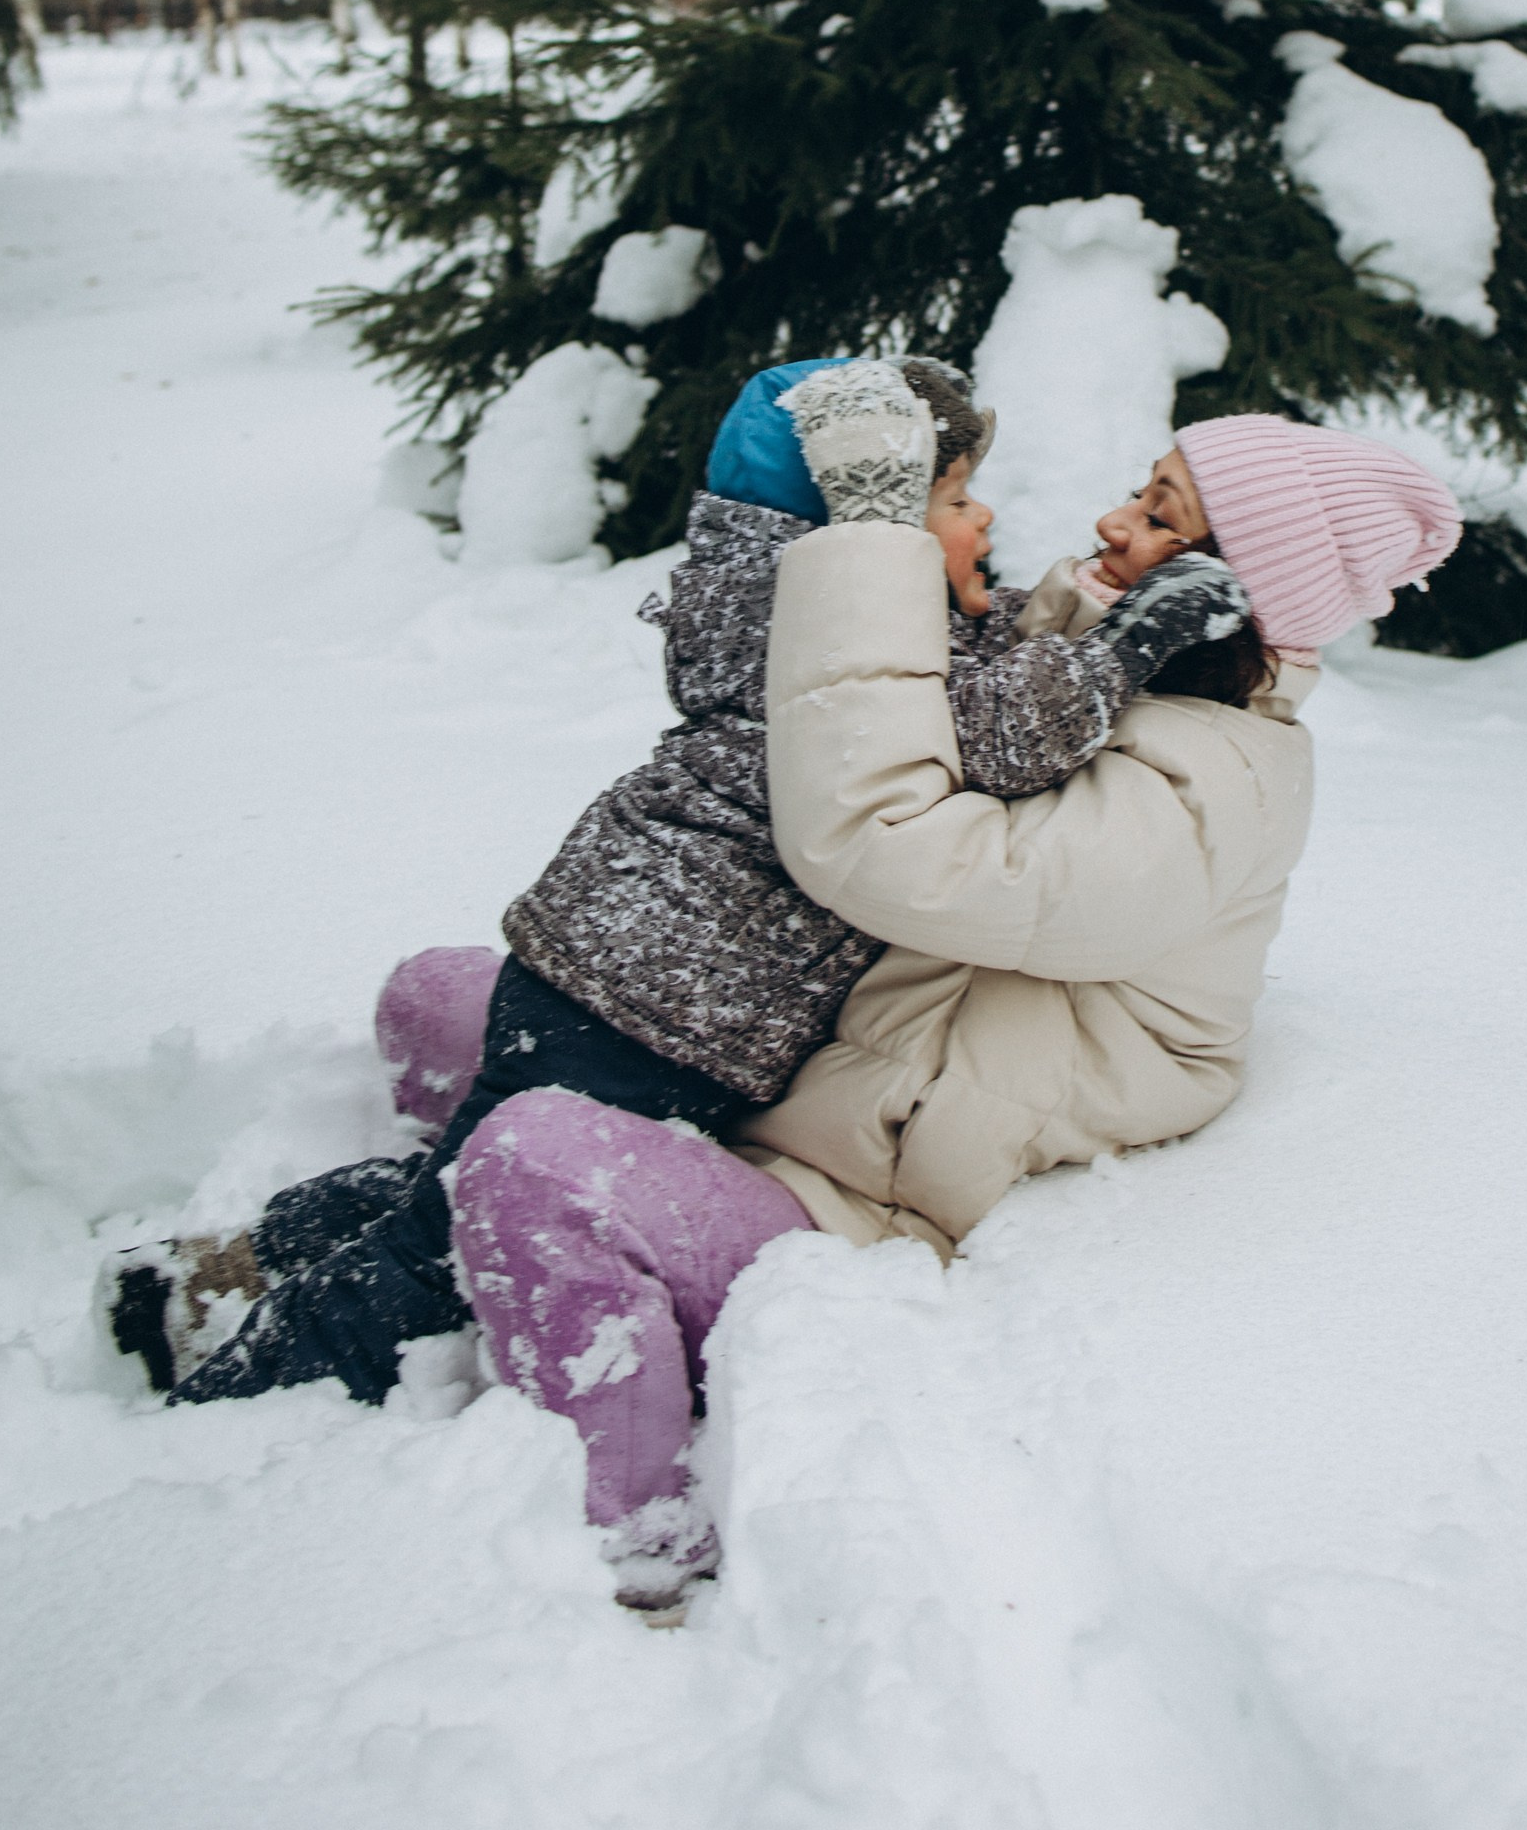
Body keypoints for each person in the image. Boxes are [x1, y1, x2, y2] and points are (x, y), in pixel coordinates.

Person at [436, 373, 1461, 1606]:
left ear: (1227, 589)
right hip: (795, 1076)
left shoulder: (1207, 790)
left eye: (1158, 511)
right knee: (436, 997)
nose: (1109, 523)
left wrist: (881, 534)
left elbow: (880, 839)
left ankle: (636, 1537)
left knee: (531, 1156)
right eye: (1137, 490)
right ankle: (424, 1219)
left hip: (854, 1201)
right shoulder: (1097, 681)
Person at [110, 355, 1245, 1462]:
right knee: (440, 1246)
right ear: (866, 522)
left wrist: (1066, 610)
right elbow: (994, 727)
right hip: (662, 1000)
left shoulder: (772, 598)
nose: (983, 516)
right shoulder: (829, 634)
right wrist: (1129, 647)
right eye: (951, 499)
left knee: (451, 1174)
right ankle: (240, 1380)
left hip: (604, 954)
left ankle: (223, 1269)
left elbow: (963, 673)